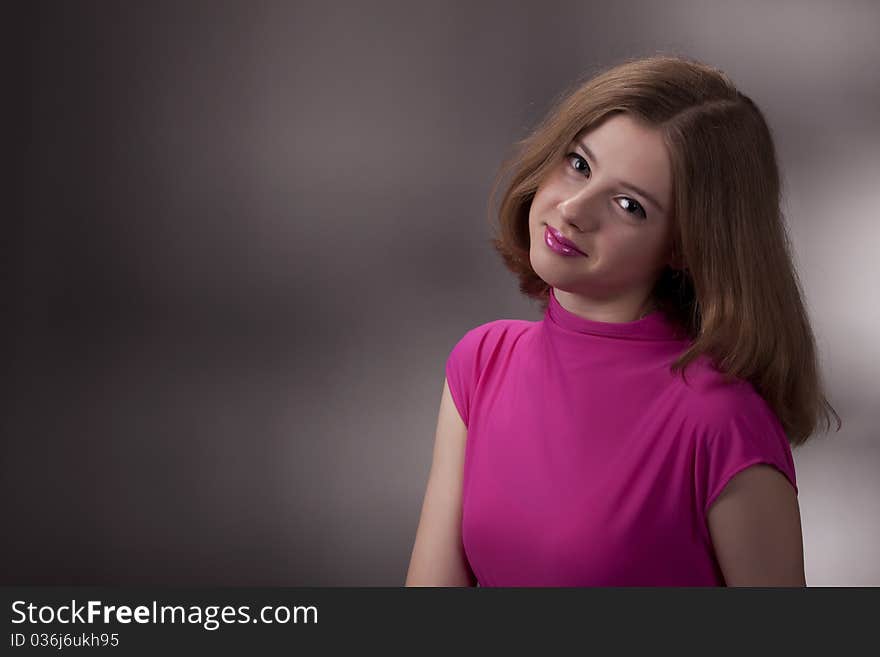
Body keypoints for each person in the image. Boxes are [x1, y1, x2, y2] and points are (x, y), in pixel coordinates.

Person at [405, 54, 840, 587]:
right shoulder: (481, 363)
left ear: (683, 247)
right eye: (579, 165)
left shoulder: (720, 421)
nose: (574, 208)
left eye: (629, 205)